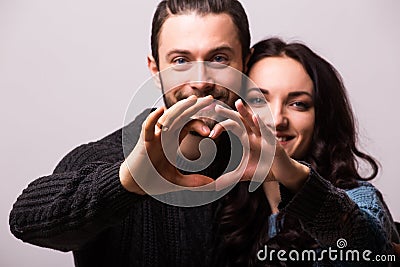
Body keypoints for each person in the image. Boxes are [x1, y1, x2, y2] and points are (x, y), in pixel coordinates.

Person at [9, 0, 252, 266]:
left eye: (219, 59)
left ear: (245, 64)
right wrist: (126, 181)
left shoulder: (263, 162)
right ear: (156, 70)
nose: (200, 81)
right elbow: (24, 220)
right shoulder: (106, 158)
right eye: (180, 61)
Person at [210, 37, 400, 266]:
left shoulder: (358, 198)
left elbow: (371, 252)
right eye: (259, 100)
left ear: (320, 118)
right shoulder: (227, 206)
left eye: (298, 104)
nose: (277, 119)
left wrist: (293, 175)